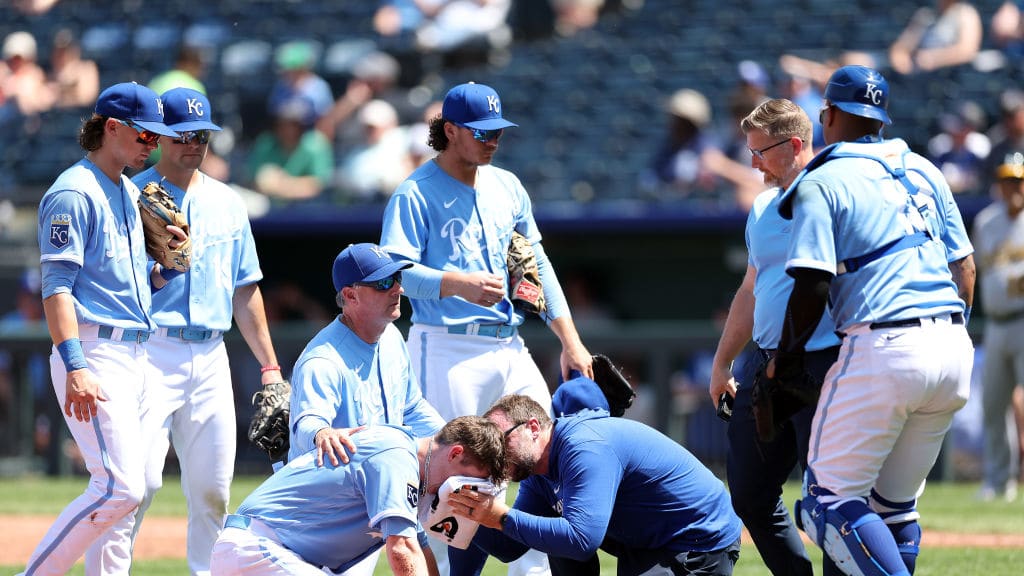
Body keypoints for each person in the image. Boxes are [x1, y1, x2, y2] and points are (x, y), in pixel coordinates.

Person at [380, 81, 593, 576]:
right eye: (481, 131)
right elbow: (395, 273)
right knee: (450, 478)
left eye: (497, 131)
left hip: (509, 343)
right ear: (449, 130)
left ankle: (535, 569)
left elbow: (535, 266)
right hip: (445, 344)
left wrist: (571, 340)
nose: (492, 139)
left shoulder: (508, 185)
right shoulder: (415, 192)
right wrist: (457, 284)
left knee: (545, 456)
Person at [774, 65, 975, 576]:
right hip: (953, 347)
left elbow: (812, 283)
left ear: (831, 114)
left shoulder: (825, 177)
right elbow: (965, 268)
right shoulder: (926, 168)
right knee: (892, 508)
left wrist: (787, 362)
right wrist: (949, 336)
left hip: (885, 343)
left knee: (824, 502)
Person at [112, 87, 283, 576]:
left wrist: (269, 365)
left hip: (211, 355)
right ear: (159, 137)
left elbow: (244, 290)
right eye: (183, 135)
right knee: (138, 485)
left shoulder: (228, 202)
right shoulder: (128, 195)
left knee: (213, 490)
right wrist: (159, 272)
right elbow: (115, 283)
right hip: (149, 350)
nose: (194, 144)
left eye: (202, 135)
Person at [21, 81, 179, 575]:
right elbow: (57, 289)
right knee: (118, 487)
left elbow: (127, 288)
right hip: (95, 351)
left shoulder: (129, 192)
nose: (153, 145)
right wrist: (76, 365)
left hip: (136, 350)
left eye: (156, 138)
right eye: (145, 135)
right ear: (111, 127)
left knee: (137, 489)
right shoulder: (72, 193)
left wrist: (169, 269)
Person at [708, 98, 842, 576]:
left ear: (796, 146)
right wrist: (723, 363)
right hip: (763, 361)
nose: (752, 162)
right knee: (749, 493)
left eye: (761, 151)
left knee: (832, 498)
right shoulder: (763, 205)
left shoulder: (831, 193)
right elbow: (751, 287)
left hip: (824, 359)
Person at [447, 392, 743, 576]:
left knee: (565, 534)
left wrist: (499, 515)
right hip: (646, 541)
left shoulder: (583, 448)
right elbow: (509, 547)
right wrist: (463, 509)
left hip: (698, 539)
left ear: (533, 428)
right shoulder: (537, 471)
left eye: (501, 440)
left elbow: (581, 540)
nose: (495, 452)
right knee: (552, 534)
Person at [210, 415, 507, 576]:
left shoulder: (413, 468)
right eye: (468, 480)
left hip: (273, 555)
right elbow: (401, 551)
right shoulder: (398, 457)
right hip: (257, 549)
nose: (462, 491)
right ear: (456, 453)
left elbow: (418, 549)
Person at [289, 242, 445, 467]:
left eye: (397, 277)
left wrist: (453, 437)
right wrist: (322, 431)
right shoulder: (323, 360)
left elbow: (411, 408)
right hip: (327, 490)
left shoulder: (391, 336)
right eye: (383, 282)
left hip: (375, 475)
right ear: (351, 295)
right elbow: (308, 423)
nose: (398, 289)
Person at [972, 151, 1024, 502]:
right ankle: (998, 481)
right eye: (1007, 181)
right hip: (995, 323)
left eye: (1017, 181)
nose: (1012, 187)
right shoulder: (986, 221)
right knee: (993, 404)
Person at [246, 95, 335, 205]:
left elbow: (319, 185)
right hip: (269, 213)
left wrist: (283, 185)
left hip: (309, 213)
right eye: (283, 123)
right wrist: (266, 183)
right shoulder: (266, 143)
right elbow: (251, 179)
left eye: (293, 124)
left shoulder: (316, 144)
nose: (287, 129)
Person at [888, 0, 982, 76]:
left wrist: (934, 58)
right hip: (923, 79)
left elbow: (967, 51)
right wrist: (903, 64)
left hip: (953, 78)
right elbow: (901, 48)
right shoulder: (926, 14)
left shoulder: (965, 13)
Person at [45, 28, 99, 110]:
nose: (63, 54)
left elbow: (86, 98)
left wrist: (60, 90)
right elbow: (42, 102)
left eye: (66, 50)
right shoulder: (48, 74)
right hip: (55, 118)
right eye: (59, 50)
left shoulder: (87, 68)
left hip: (82, 116)